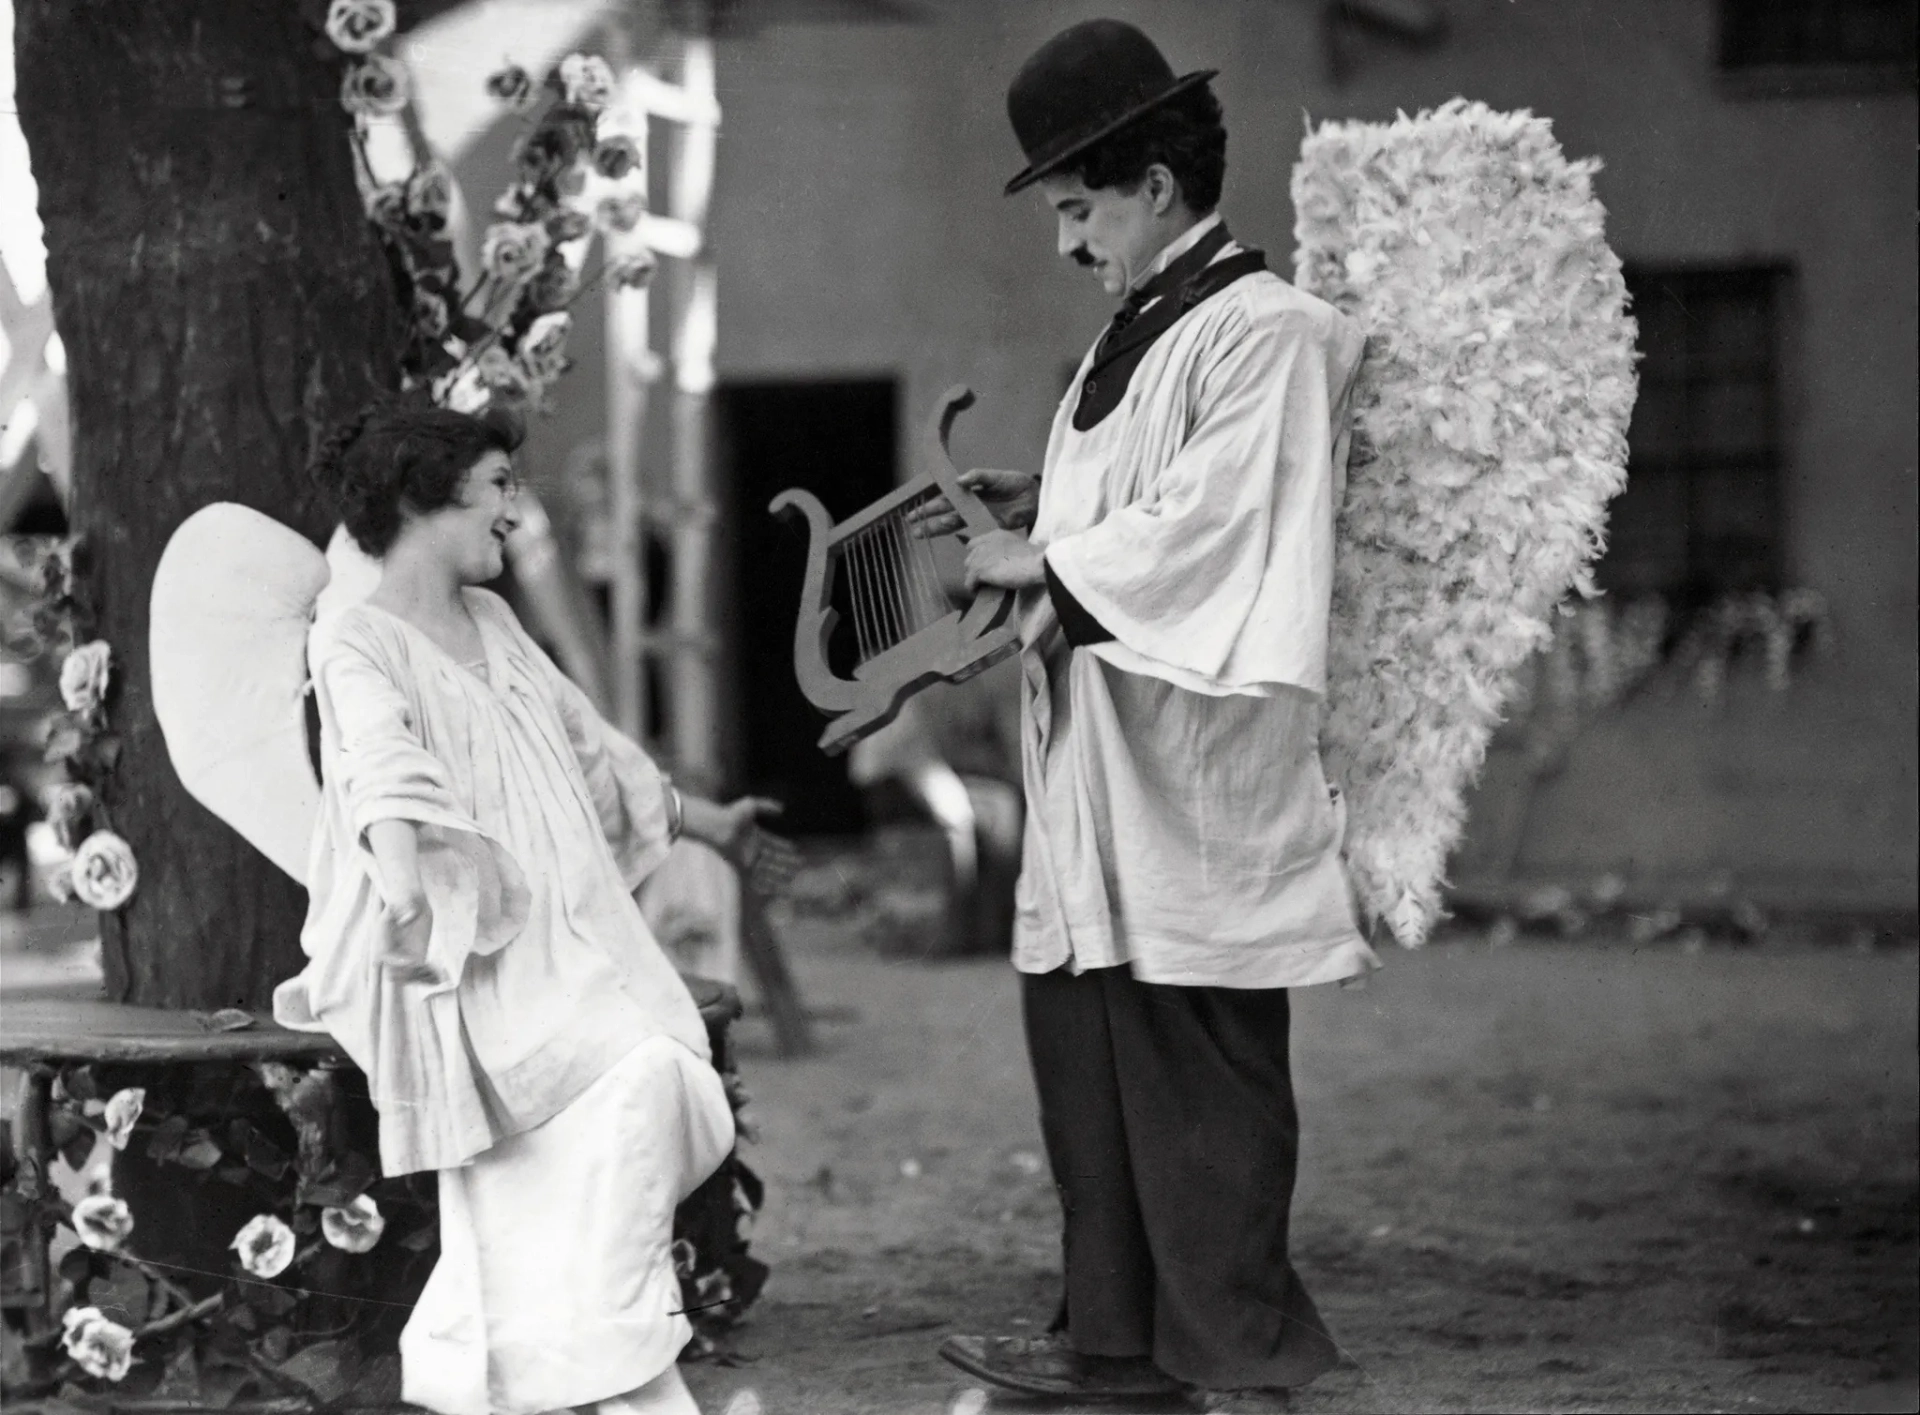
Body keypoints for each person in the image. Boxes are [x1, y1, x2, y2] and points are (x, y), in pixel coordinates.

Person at [916, 19, 1378, 1414]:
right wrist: (1041, 513)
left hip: (1192, 770)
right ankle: (1114, 1345)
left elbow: (1225, 527)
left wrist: (1052, 562)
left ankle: (1244, 1352)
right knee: (1092, 1054)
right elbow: (1141, 510)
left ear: (1158, 189)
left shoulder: (1268, 334)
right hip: (1097, 766)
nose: (1065, 240)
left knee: (1195, 1065)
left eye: (1077, 205)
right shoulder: (1138, 331)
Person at [276, 403, 797, 1415]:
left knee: (647, 1091)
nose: (518, 510)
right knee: (640, 1079)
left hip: (584, 947)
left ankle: (561, 1375)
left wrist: (710, 820)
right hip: (476, 961)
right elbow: (383, 777)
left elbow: (596, 758)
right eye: (500, 486)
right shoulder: (357, 641)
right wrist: (400, 895)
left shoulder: (498, 623)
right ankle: (612, 1381)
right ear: (428, 501)